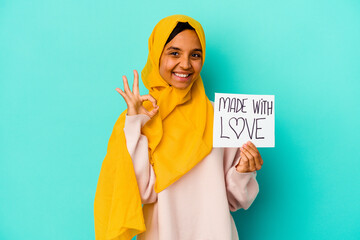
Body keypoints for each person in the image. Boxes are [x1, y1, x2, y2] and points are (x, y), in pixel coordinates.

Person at [94, 14, 263, 240]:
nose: (185, 64)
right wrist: (135, 124)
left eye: (195, 55)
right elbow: (141, 192)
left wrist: (244, 170)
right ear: (157, 55)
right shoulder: (139, 117)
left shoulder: (220, 116)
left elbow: (235, 200)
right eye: (174, 53)